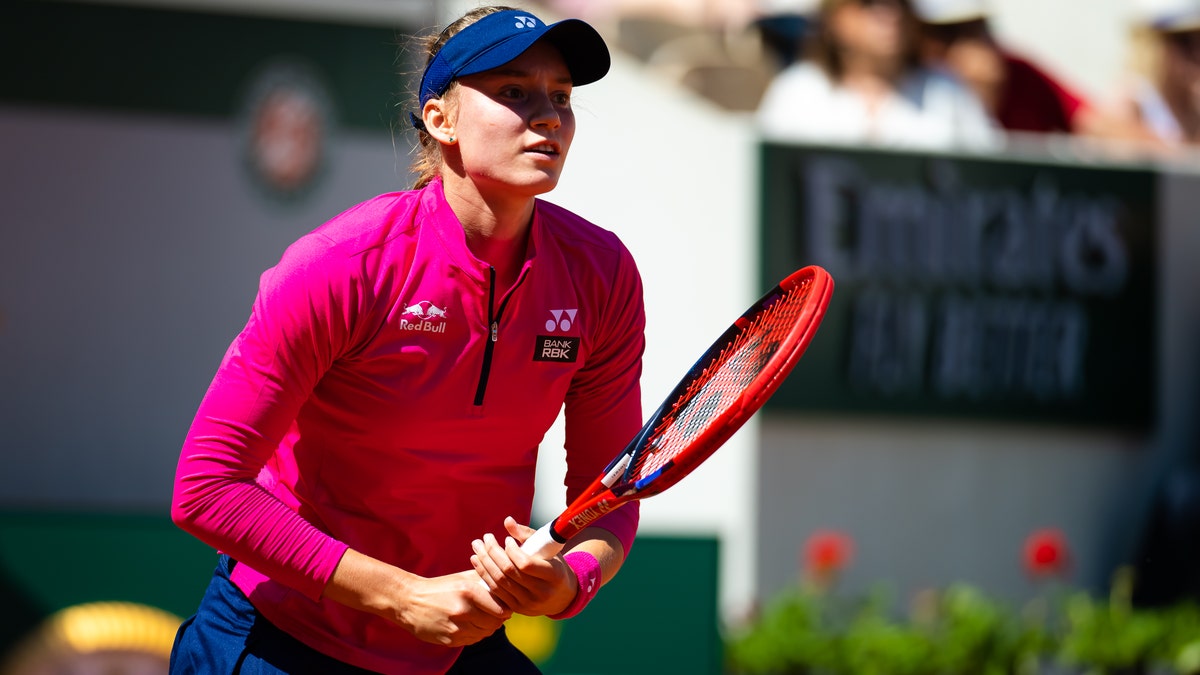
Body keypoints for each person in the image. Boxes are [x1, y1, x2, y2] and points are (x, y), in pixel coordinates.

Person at [168, 6, 645, 675]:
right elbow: (207, 486)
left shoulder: (603, 274)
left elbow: (609, 496)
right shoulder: (340, 264)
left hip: (455, 645)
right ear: (439, 118)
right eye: (514, 92)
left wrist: (569, 582)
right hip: (282, 638)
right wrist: (404, 596)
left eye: (561, 97)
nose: (548, 116)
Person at [756, 0, 998, 150]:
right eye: (870, 3)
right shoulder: (798, 93)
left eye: (901, 2)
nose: (891, 13)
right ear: (834, 18)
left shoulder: (947, 91)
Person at [912, 0, 1098, 135]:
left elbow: (1090, 121)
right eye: (951, 33)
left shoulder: (1021, 73)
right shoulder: (904, 91)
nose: (977, 44)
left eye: (980, 28)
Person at [1105, 0, 1200, 149]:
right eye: (1184, 41)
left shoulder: (1193, 104)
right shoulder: (1132, 100)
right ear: (1154, 44)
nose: (1196, 52)